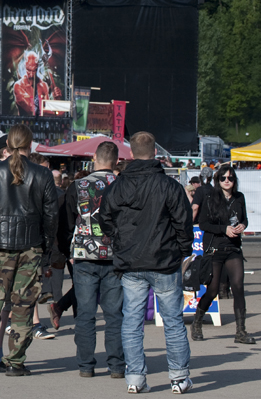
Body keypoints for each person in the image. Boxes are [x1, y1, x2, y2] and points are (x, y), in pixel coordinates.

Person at [100, 132, 192, 395]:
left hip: (131, 262)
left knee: (132, 321)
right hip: (163, 260)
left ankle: (136, 378)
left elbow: (104, 217)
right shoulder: (169, 185)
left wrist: (118, 241)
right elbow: (183, 222)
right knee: (173, 320)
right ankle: (178, 376)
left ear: (130, 153)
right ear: (154, 153)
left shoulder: (117, 185)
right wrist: (183, 251)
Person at [0, 125, 58, 376]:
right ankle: (15, 362)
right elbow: (51, 216)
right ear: (30, 144)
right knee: (23, 306)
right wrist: (46, 247)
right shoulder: (43, 174)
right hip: (30, 247)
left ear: (7, 145)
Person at [65, 141, 124, 379]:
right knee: (114, 314)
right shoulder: (122, 185)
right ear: (116, 161)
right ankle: (117, 366)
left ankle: (86, 365)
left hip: (84, 255)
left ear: (94, 158)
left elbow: (68, 220)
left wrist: (69, 247)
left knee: (86, 314)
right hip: (115, 256)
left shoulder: (78, 185)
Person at [192, 164, 255, 344]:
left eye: (230, 178)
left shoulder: (239, 197)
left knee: (238, 287)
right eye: (223, 178)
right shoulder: (211, 197)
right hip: (214, 248)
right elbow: (203, 223)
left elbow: (244, 219)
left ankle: (240, 332)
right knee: (212, 290)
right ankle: (197, 321)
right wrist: (223, 229)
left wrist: (243, 225)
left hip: (233, 248)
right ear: (217, 180)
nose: (227, 181)